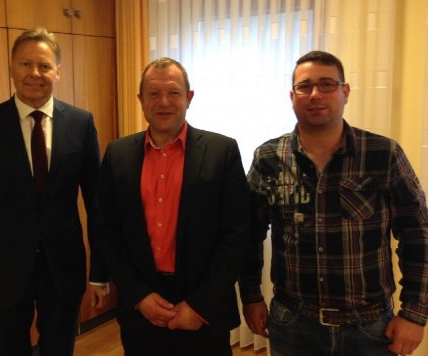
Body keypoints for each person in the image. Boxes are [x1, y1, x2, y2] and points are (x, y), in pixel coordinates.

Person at [239, 50, 428, 356]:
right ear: (292, 95)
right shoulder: (268, 158)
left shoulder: (383, 154)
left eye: (327, 84)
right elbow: (249, 233)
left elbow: (418, 234)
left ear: (345, 92)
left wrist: (414, 313)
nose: (315, 94)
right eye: (305, 86)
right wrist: (251, 295)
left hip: (370, 329)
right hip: (293, 324)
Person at [0, 27, 109, 356]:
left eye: (44, 65)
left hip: (64, 270)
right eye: (26, 64)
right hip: (3, 272)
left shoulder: (81, 123)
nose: (34, 74)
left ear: (58, 70)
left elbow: (97, 205)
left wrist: (100, 273)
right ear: (12, 68)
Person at [97, 57, 250, 355]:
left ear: (189, 98)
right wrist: (139, 296)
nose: (163, 102)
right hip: (141, 310)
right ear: (141, 100)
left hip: (203, 310)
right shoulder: (117, 154)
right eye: (153, 93)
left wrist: (200, 305)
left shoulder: (223, 152)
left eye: (173, 93)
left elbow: (236, 235)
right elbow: (107, 232)